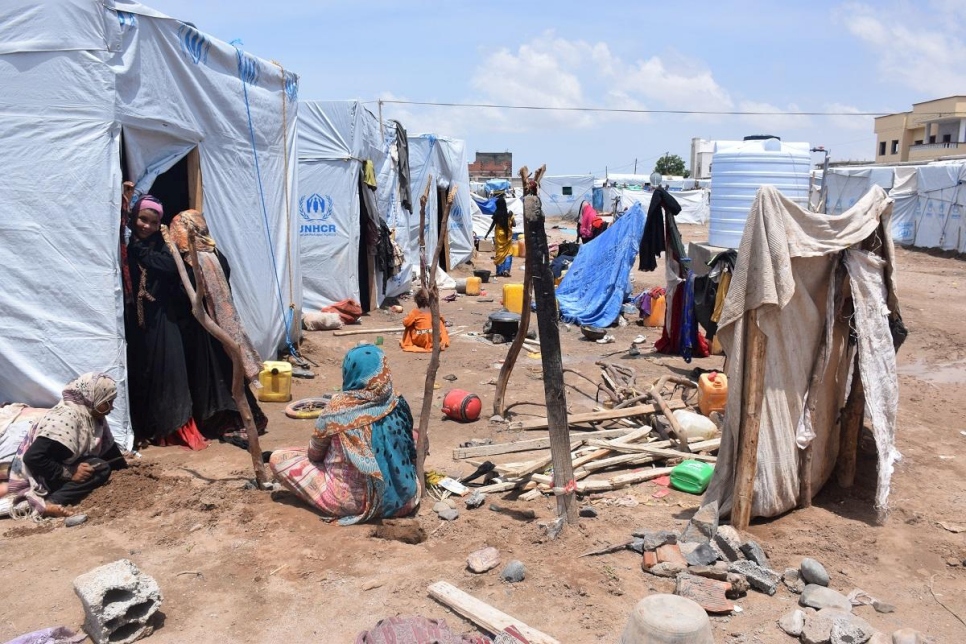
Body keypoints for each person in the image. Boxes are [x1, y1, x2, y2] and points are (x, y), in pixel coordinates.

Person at [124, 196, 265, 450]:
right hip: (217, 325)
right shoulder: (212, 252)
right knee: (223, 374)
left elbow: (181, 288)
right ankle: (235, 419)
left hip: (204, 329)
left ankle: (224, 420)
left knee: (213, 376)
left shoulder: (194, 257)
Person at [269, 345, 418, 524]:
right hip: (404, 499)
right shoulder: (396, 401)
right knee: (415, 436)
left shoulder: (338, 410)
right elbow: (409, 445)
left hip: (354, 503)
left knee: (278, 458)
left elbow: (314, 455)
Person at [0, 373, 127, 518]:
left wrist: (125, 473)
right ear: (93, 398)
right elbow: (33, 458)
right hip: (39, 474)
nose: (111, 408)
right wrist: (70, 473)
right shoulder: (64, 420)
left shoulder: (92, 417)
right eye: (107, 402)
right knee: (100, 467)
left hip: (57, 467)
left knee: (99, 465)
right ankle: (50, 502)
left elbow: (109, 450)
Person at [400, 288, 450, 353]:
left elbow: (405, 323)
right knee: (440, 323)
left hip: (420, 338)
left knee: (409, 326)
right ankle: (442, 341)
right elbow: (443, 320)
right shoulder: (434, 310)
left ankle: (407, 342)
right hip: (435, 338)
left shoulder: (415, 312)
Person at [483, 192, 515, 277]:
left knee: (499, 253)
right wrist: (512, 217)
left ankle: (499, 271)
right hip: (507, 235)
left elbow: (492, 224)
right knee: (508, 252)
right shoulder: (509, 214)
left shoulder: (496, 213)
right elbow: (514, 224)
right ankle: (506, 270)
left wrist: (487, 234)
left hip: (499, 235)